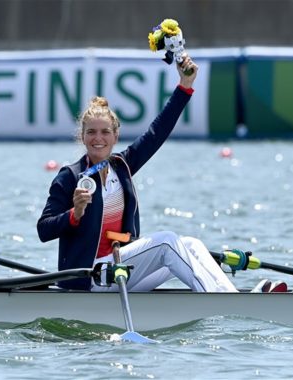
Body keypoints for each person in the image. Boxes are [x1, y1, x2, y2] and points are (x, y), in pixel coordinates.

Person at [37, 55, 239, 293]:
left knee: (192, 244)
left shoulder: (122, 165)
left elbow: (157, 133)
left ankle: (230, 296)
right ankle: (216, 301)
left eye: (105, 132)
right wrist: (75, 213)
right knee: (166, 242)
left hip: (120, 269)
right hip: (90, 278)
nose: (98, 139)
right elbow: (44, 230)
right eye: (91, 132)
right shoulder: (70, 176)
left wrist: (185, 87)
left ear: (115, 137)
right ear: (83, 137)